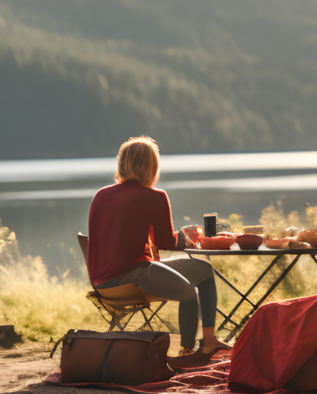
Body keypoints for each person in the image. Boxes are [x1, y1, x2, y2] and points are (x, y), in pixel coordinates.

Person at [87, 136, 230, 356]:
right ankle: (190, 349)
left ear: (122, 163)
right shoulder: (154, 196)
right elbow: (166, 242)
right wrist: (188, 237)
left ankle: (203, 343)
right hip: (133, 276)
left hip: (102, 282)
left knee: (202, 270)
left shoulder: (101, 195)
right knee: (190, 290)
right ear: (152, 167)